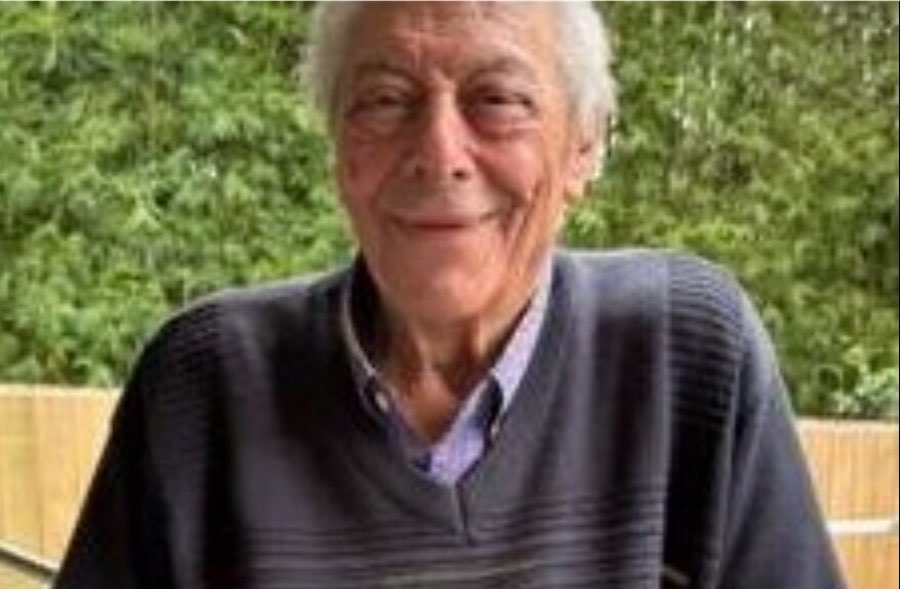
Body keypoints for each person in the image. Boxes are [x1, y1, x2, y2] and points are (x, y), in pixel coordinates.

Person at [55, 2, 846, 588]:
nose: (438, 152)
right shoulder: (202, 387)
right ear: (338, 145)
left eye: (497, 99)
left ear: (583, 146)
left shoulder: (690, 356)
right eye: (385, 100)